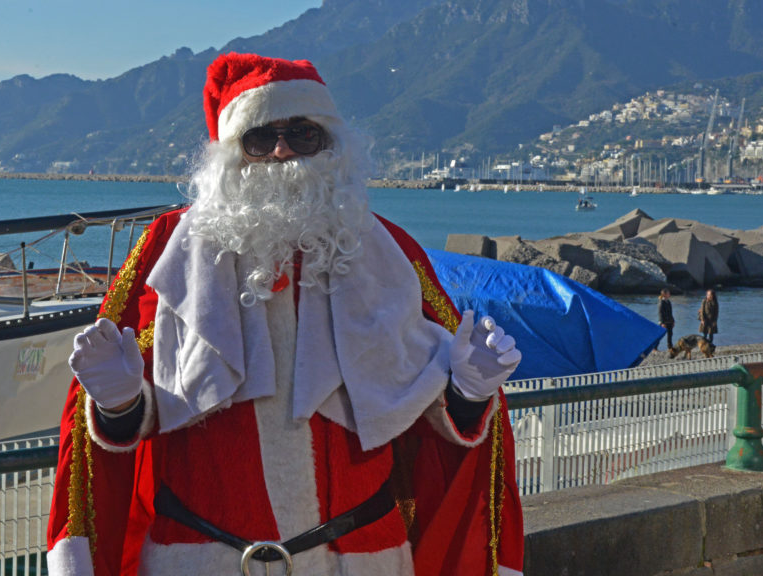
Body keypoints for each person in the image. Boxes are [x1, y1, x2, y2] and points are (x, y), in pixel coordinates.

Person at [46, 52, 524, 576]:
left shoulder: (386, 249)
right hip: (199, 560)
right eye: (260, 138)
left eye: (303, 133)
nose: (281, 152)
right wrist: (117, 404)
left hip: (363, 562)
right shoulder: (169, 249)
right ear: (231, 155)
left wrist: (469, 392)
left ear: (332, 145)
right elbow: (133, 423)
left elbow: (430, 423)